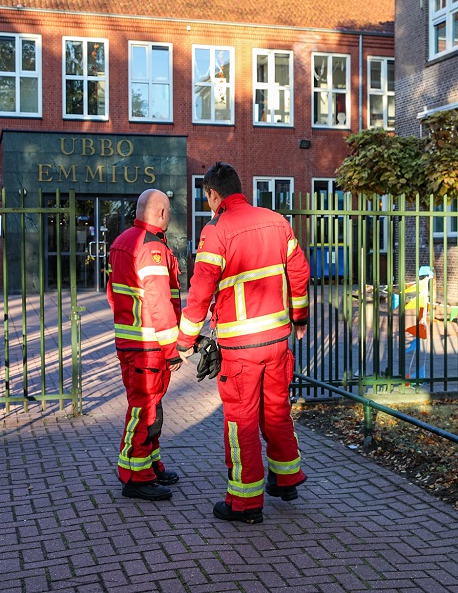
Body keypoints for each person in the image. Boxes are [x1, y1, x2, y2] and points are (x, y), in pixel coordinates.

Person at [177, 162, 311, 524]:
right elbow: (299, 271)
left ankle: (245, 502)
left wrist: (185, 340)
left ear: (213, 194)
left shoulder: (216, 230)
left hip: (241, 348)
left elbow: (201, 288)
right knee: (277, 409)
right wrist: (299, 318)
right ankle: (286, 479)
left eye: (206, 197)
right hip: (277, 340)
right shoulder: (276, 221)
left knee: (241, 420)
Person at [107, 189, 182, 501]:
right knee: (145, 407)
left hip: (131, 340)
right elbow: (159, 301)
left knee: (150, 406)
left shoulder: (121, 241)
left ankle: (150, 465)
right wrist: (171, 348)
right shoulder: (150, 246)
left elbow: (114, 295)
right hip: (149, 342)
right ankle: (136, 477)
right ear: (162, 213)